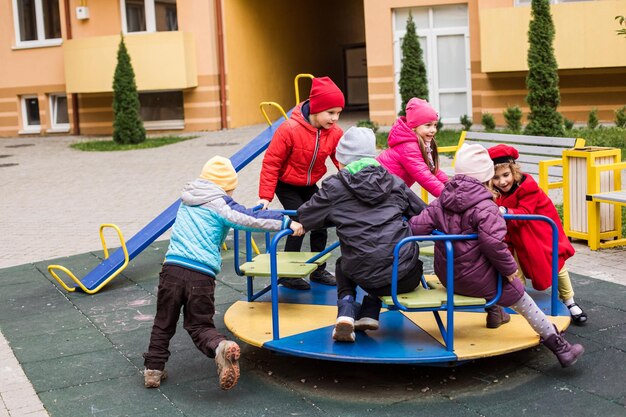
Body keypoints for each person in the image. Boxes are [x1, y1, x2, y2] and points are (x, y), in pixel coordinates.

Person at [409, 144, 584, 368]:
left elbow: (416, 227)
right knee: (518, 294)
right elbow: (493, 244)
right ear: (487, 176)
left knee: (486, 272)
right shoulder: (486, 206)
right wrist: (511, 271)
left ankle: (495, 314)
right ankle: (561, 348)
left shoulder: (442, 201)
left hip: (448, 275)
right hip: (476, 282)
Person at [143, 156, 304, 390]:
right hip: (200, 274)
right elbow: (248, 219)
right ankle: (220, 346)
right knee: (199, 325)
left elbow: (241, 212)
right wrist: (285, 223)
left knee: (163, 321)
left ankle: (153, 371)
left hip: (172, 269)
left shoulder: (187, 199)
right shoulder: (220, 203)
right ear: (226, 186)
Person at [298, 127, 427, 343]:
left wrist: (337, 216)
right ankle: (369, 310)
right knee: (398, 256)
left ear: (341, 161)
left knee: (345, 262)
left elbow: (307, 215)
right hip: (403, 278)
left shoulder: (335, 186)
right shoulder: (394, 182)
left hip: (362, 275)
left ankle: (347, 309)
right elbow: (424, 213)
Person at [257, 76, 345, 291]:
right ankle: (289, 273)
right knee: (298, 220)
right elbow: (271, 162)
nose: (335, 118)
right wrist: (265, 197)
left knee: (321, 219)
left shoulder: (334, 133)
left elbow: (341, 160)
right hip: (285, 182)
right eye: (330, 112)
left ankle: (318, 269)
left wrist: (352, 184)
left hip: (309, 183)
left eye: (338, 113)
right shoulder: (289, 129)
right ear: (315, 108)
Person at [488, 144, 587, 325]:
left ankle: (569, 300)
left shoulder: (528, 187)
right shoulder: (494, 192)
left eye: (506, 175)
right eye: (496, 178)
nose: (502, 182)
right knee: (512, 267)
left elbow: (526, 212)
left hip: (539, 233)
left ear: (514, 171)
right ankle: (521, 301)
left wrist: (504, 210)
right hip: (514, 234)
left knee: (555, 263)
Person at [377, 97, 448, 197]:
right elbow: (424, 176)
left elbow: (431, 169)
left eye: (435, 125)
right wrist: (449, 197)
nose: (433, 130)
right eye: (428, 125)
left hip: (388, 191)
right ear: (414, 127)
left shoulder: (418, 143)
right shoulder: (408, 147)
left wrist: (450, 184)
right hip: (379, 191)